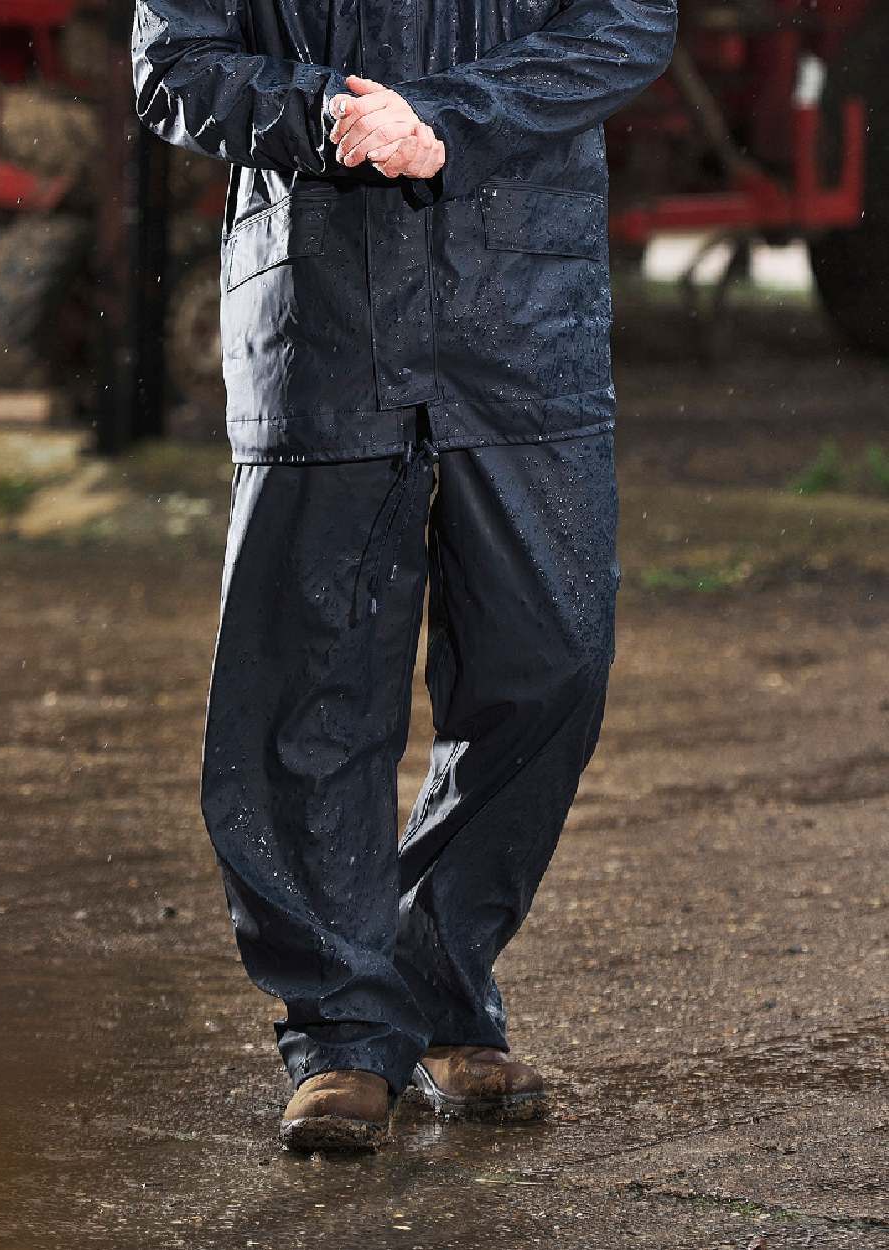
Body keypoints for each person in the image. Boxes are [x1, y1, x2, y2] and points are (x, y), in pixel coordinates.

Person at [132, 0, 677, 1152]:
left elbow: (629, 21)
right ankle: (339, 1028)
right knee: (308, 693)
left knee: (554, 657)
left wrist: (450, 114)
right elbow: (173, 62)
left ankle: (432, 972)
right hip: (320, 309)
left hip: (519, 308)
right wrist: (327, 112)